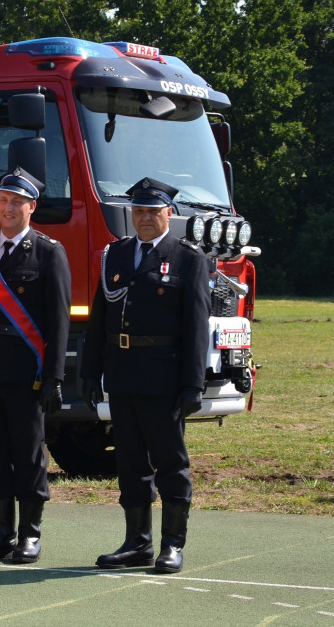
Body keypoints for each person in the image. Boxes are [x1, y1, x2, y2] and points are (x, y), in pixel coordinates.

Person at [80, 177, 210, 574]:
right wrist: (90, 374)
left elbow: (196, 327)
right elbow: (99, 319)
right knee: (130, 462)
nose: (145, 218)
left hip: (164, 378)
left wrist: (193, 384)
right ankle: (137, 543)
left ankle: (172, 544)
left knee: (170, 462)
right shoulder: (115, 255)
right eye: (138, 211)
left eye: (153, 211)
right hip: (122, 374)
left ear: (169, 213)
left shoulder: (188, 258)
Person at [0, 167, 71, 565]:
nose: (8, 208)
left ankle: (30, 535)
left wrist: (54, 377)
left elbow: (59, 321)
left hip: (26, 371)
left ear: (32, 207)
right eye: (3, 200)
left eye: (16, 202)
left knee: (28, 455)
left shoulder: (48, 252)